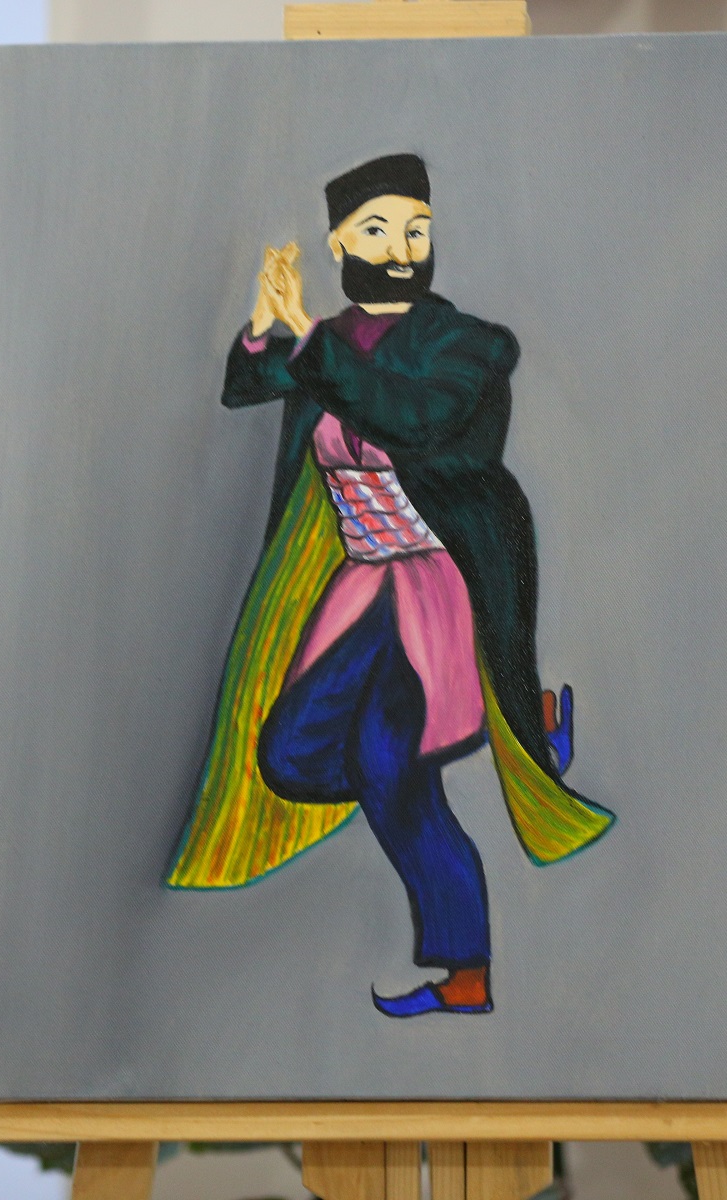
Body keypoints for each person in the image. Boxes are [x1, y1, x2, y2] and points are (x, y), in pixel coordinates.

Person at [166, 153, 613, 1017]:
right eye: (378, 230)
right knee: (288, 754)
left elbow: (412, 415)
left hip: (442, 582)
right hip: (362, 586)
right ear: (340, 243)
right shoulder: (330, 342)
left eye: (416, 229)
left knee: (388, 766)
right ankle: (517, 736)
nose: (402, 248)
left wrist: (312, 343)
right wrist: (267, 325)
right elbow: (248, 384)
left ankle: (466, 972)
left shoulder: (468, 346)